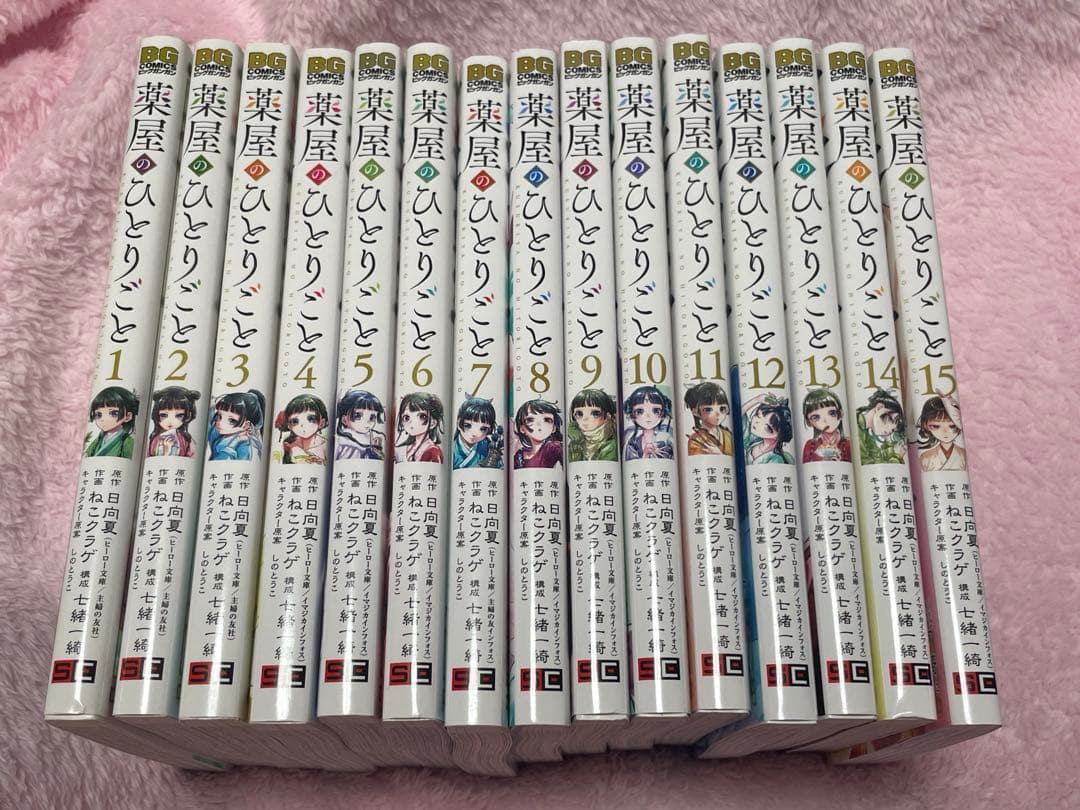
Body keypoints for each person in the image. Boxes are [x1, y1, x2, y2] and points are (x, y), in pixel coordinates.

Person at [207, 390, 265, 461]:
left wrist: (232, 446)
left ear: (247, 425)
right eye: (219, 416)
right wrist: (211, 408)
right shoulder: (221, 432)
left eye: (231, 420)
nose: (220, 422)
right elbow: (210, 431)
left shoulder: (244, 446)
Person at [916, 392, 967, 472]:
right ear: (926, 425)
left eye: (952, 426)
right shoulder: (925, 457)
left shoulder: (964, 455)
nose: (945, 431)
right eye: (936, 426)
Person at [83, 386, 139, 458]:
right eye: (99, 414)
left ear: (128, 416)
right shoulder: (99, 439)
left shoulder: (127, 442)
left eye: (114, 413)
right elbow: (88, 454)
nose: (104, 419)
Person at [622, 385, 674, 461]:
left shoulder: (666, 438)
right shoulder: (633, 442)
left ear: (663, 413)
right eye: (639, 411)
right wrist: (645, 454)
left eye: (656, 411)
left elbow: (670, 458)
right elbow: (631, 463)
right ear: (632, 415)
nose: (648, 415)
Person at [856, 388, 907, 464]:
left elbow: (878, 459)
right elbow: (869, 465)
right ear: (879, 408)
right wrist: (897, 456)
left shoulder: (866, 433)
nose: (891, 429)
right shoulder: (857, 428)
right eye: (892, 420)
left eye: (893, 429)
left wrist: (893, 451)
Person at [741, 392, 795, 464]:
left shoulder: (776, 459)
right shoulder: (754, 440)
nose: (756, 422)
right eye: (757, 415)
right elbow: (737, 417)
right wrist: (757, 399)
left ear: (779, 434)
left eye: (767, 426)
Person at [566, 388, 618, 462]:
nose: (585, 419)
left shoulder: (611, 445)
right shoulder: (575, 443)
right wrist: (577, 444)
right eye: (579, 414)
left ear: (607, 416)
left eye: (595, 413)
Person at [146, 386, 199, 458]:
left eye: (179, 415)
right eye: (163, 415)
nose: (170, 421)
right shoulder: (153, 439)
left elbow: (192, 458)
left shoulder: (186, 440)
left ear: (187, 416)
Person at [801, 387, 851, 463]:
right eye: (816, 417)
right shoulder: (810, 445)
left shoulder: (848, 444)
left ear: (841, 413)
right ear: (809, 421)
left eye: (832, 413)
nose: (825, 420)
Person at [684, 381, 734, 456]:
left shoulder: (728, 435)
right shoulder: (695, 439)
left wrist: (720, 454)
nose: (718, 413)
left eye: (722, 408)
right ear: (695, 412)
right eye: (708, 409)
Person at [452, 397, 503, 469]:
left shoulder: (489, 448)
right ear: (459, 423)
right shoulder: (452, 448)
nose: (474, 433)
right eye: (467, 425)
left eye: (483, 429)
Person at [276, 394, 328, 464]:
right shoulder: (289, 445)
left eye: (311, 419)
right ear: (289, 425)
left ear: (322, 423)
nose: (303, 425)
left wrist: (320, 462)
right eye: (295, 421)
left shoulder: (324, 445)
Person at [334, 389, 385, 461]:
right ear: (344, 420)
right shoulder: (347, 443)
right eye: (358, 416)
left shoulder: (369, 437)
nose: (367, 421)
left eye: (372, 417)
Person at [512, 399, 563, 469]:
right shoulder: (519, 456)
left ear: (553, 428)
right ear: (522, 428)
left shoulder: (553, 448)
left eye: (547, 420)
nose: (539, 424)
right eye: (530, 420)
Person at [395, 392, 445, 463]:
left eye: (422, 416)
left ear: (433, 423)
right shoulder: (407, 448)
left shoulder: (433, 451)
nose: (412, 422)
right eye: (406, 417)